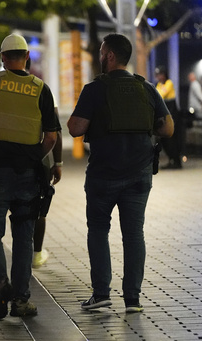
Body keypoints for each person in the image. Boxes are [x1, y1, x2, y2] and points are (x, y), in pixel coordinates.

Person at [67, 33, 174, 313]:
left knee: (99, 230)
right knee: (134, 234)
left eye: (102, 52)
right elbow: (168, 128)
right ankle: (133, 300)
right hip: (139, 174)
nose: (100, 56)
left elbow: (75, 128)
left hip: (103, 175)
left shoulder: (95, 88)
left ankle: (101, 293)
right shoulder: (146, 87)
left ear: (110, 56)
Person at [0, 33, 60, 319]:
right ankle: (21, 300)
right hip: (27, 174)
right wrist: (34, 157)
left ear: (3, 57)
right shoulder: (40, 89)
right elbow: (52, 136)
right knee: (24, 236)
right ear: (27, 57)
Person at [32, 100, 62, 269]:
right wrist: (57, 163)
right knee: (38, 208)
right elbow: (53, 134)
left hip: (5, 160)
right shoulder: (42, 91)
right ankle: (36, 254)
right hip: (37, 161)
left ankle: (18, 254)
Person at [155, 66, 182, 169]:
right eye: (158, 75)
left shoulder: (169, 83)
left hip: (172, 113)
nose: (159, 77)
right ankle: (171, 159)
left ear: (165, 74)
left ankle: (176, 161)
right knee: (165, 138)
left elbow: (161, 94)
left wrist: (159, 91)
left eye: (161, 74)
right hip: (165, 115)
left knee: (173, 138)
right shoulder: (159, 85)